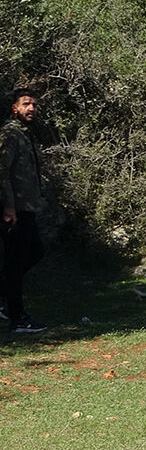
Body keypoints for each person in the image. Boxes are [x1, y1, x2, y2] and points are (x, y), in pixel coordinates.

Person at [0, 88, 48, 333]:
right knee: (15, 263)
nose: (31, 108)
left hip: (28, 207)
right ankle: (17, 318)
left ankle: (5, 298)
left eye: (34, 105)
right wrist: (9, 206)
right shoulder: (10, 133)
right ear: (14, 108)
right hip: (15, 209)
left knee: (35, 253)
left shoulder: (25, 133)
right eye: (26, 104)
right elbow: (2, 171)